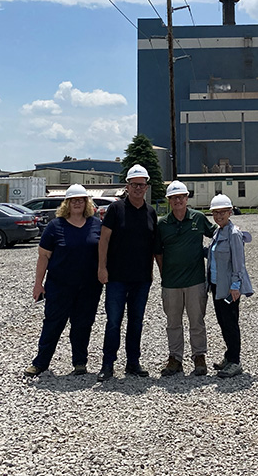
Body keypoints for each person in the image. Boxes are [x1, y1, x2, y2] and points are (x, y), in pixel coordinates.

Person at [25, 184, 102, 377]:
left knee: (83, 324)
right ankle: (40, 363)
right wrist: (38, 283)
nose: (77, 203)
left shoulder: (96, 224)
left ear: (87, 202)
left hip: (89, 287)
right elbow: (43, 256)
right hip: (59, 286)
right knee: (53, 324)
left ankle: (79, 363)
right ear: (66, 203)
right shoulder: (55, 226)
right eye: (73, 200)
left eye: (81, 200)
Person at [96, 163, 159, 381]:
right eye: (134, 185)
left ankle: (133, 362)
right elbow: (103, 239)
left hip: (141, 279)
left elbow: (153, 246)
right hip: (116, 278)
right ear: (127, 186)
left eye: (142, 185)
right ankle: (107, 364)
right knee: (114, 321)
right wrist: (101, 268)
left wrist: (153, 272)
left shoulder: (151, 212)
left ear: (147, 187)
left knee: (136, 321)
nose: (138, 188)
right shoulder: (116, 209)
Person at [155, 180, 217, 376]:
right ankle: (175, 358)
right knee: (173, 322)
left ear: (187, 198)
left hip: (195, 281)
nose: (178, 201)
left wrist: (234, 232)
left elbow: (216, 234)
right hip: (171, 283)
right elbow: (158, 252)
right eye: (173, 198)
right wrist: (164, 272)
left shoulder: (198, 219)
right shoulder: (162, 224)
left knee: (196, 321)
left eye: (181, 197)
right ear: (169, 201)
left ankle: (199, 356)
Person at [207, 194, 253, 378]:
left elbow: (238, 263)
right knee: (223, 322)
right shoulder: (218, 232)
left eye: (222, 212)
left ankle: (235, 361)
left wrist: (236, 286)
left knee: (231, 323)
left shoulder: (234, 234)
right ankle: (229, 356)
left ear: (230, 212)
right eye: (215, 213)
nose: (219, 216)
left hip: (229, 288)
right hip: (217, 285)